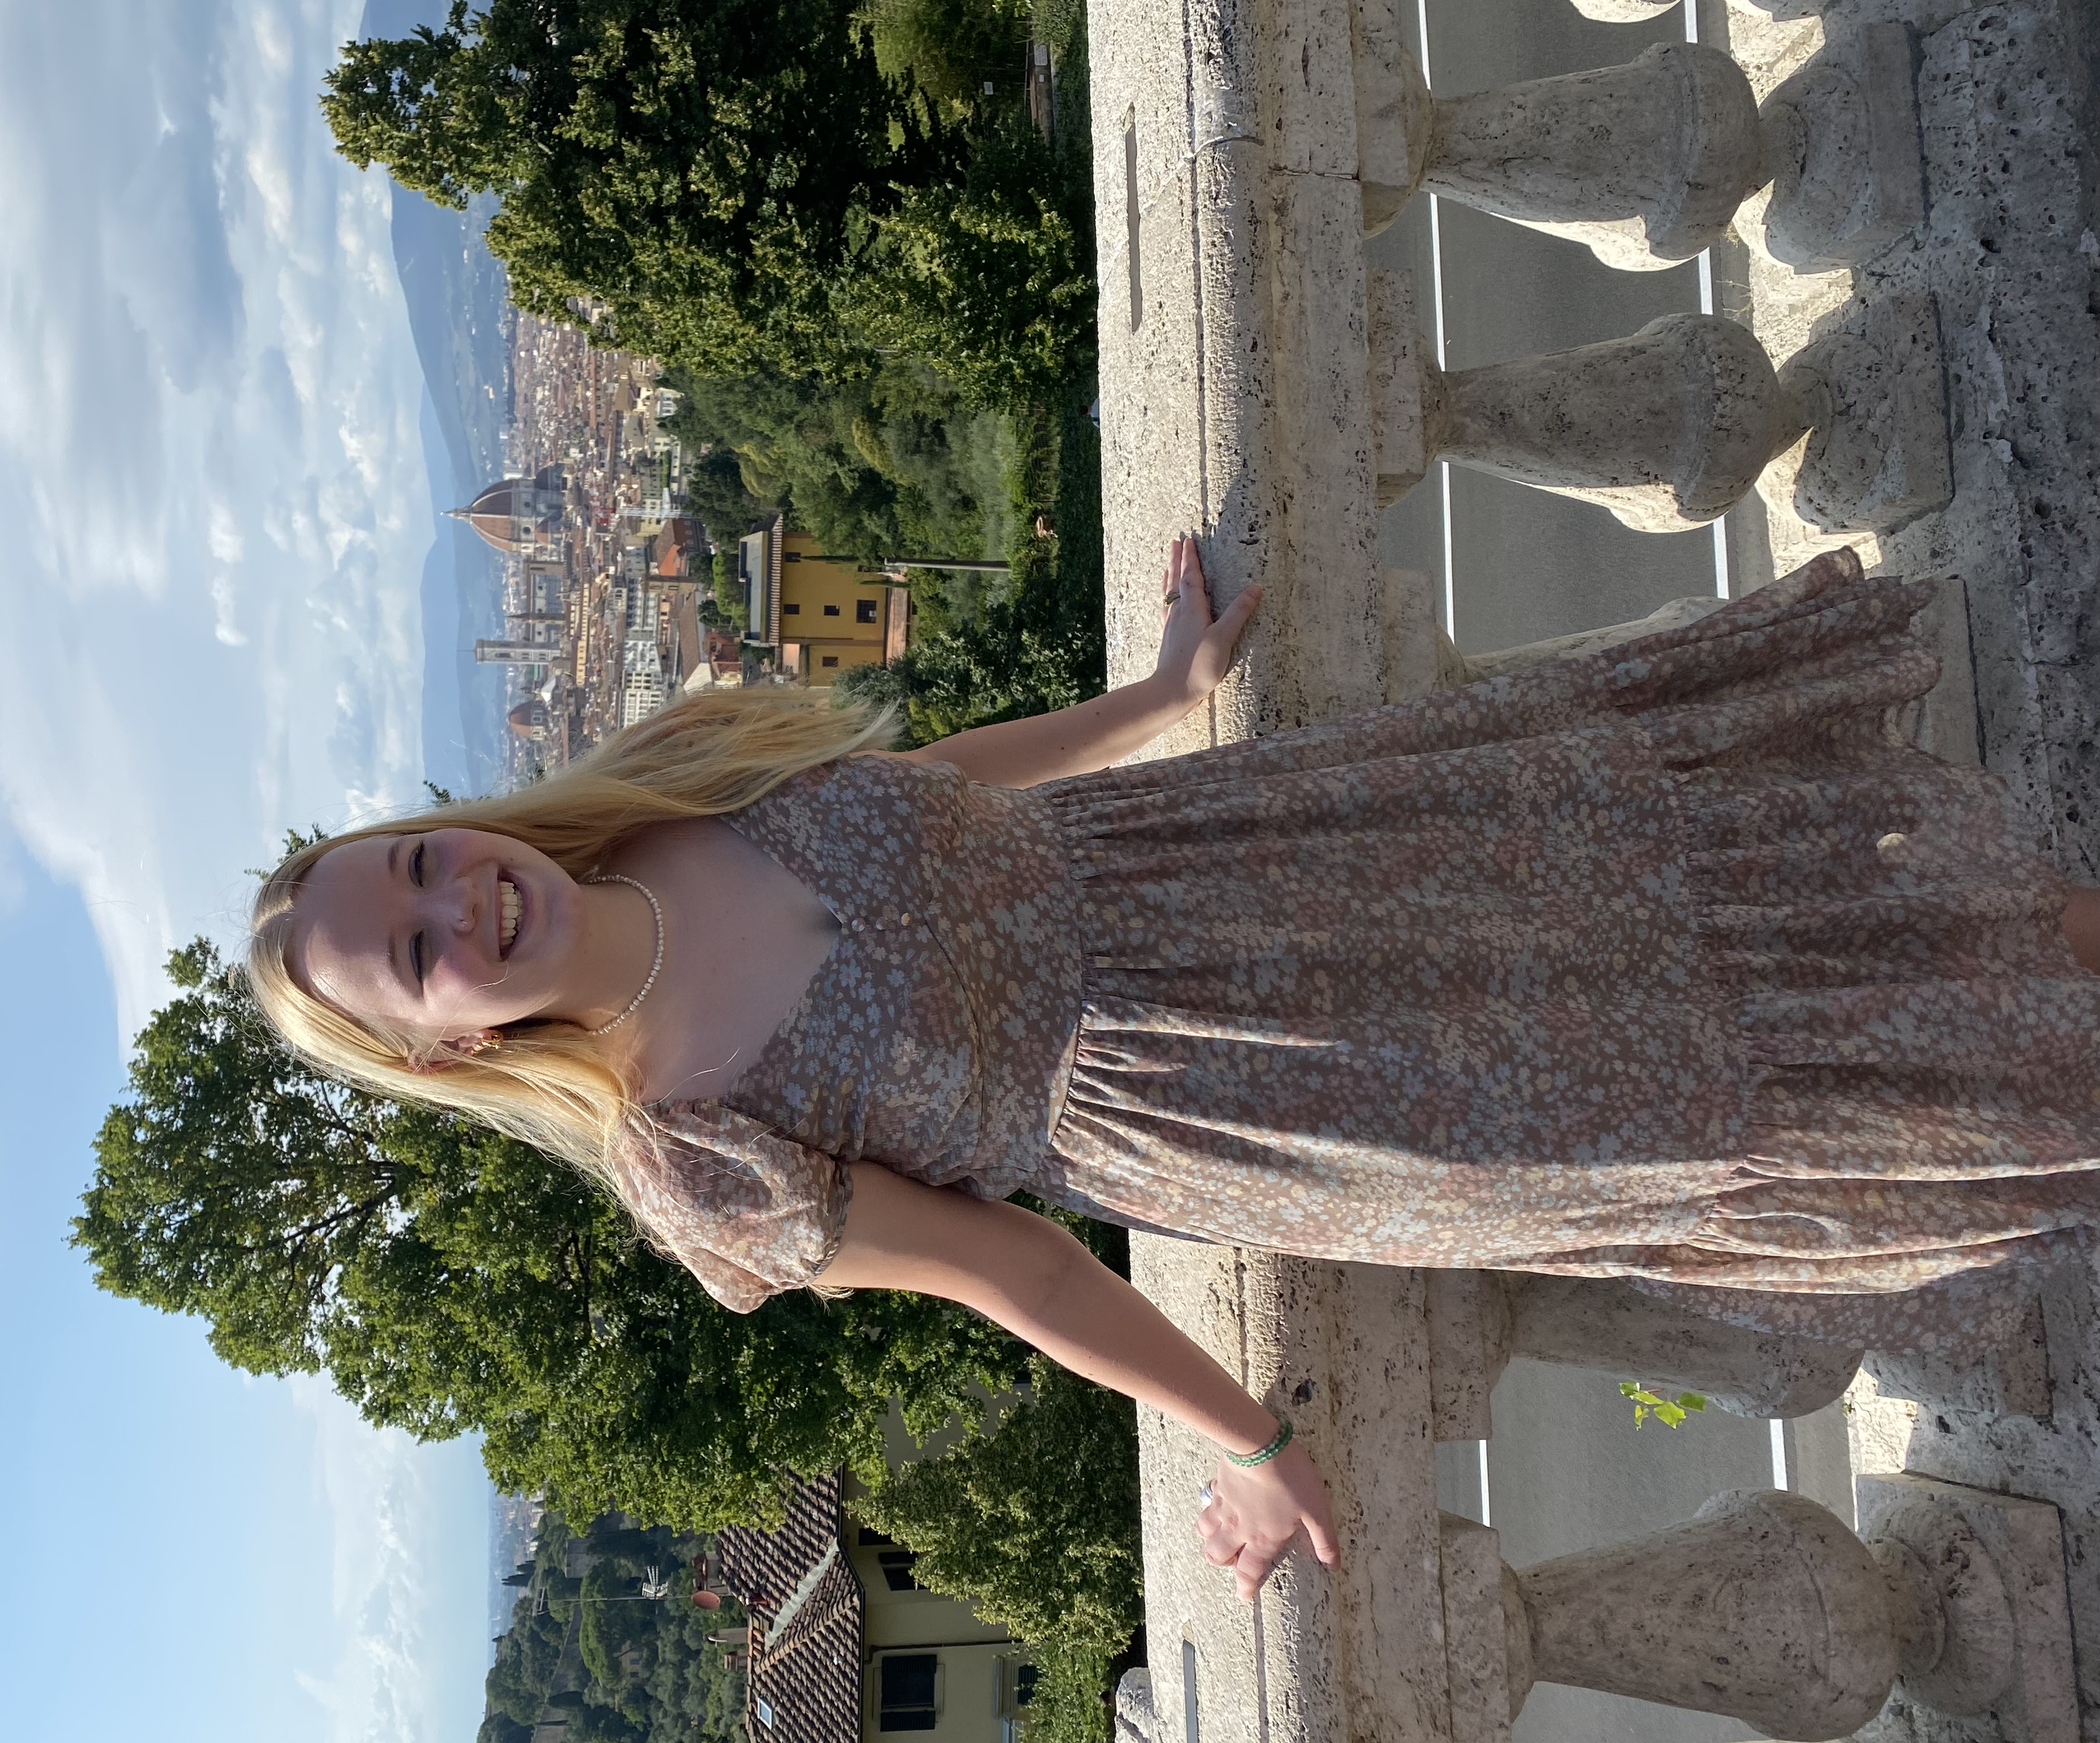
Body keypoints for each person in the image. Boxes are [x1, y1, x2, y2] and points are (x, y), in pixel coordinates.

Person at [248, 541, 2100, 1601]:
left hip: (1260, 850)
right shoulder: (684, 1155)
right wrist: (1261, 1446)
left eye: (415, 862)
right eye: (409, 954)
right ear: (440, 1045)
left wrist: (1153, 706)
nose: (450, 907)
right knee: (1699, 1077)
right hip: (1259, 1086)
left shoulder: (667, 794)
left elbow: (938, 793)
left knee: (1665, 861)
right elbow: (1023, 1278)